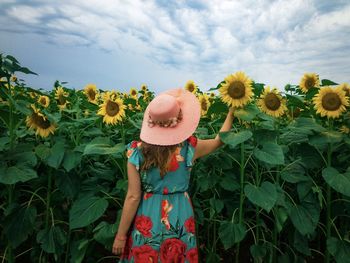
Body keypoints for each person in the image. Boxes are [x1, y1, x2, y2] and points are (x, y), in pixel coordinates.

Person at [112, 87, 234, 262]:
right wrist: (231, 113)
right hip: (180, 212)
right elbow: (219, 141)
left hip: (148, 213)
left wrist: (121, 236)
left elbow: (132, 196)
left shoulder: (136, 153)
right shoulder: (189, 148)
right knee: (176, 253)